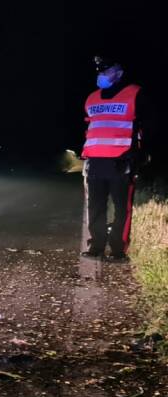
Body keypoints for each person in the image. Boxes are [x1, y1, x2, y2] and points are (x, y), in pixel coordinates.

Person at [80, 55, 150, 262]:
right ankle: (97, 247)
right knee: (95, 206)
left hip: (121, 162)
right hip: (94, 162)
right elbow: (91, 128)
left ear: (119, 73)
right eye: (100, 71)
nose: (101, 74)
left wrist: (139, 154)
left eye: (106, 71)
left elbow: (148, 126)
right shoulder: (91, 98)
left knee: (121, 208)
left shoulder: (135, 94)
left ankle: (118, 250)